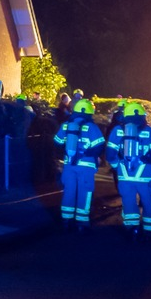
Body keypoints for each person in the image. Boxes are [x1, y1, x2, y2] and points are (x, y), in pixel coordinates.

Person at [106, 102, 151, 240]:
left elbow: (110, 155)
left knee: (128, 202)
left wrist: (117, 167)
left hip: (125, 177)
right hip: (146, 177)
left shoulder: (117, 130)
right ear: (143, 116)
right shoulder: (149, 131)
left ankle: (132, 229)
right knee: (149, 203)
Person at [53, 98, 105, 232]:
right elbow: (99, 145)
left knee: (69, 191)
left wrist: (68, 152)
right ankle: (82, 223)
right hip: (86, 167)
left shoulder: (66, 125)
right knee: (85, 192)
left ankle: (66, 220)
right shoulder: (92, 126)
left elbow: (57, 142)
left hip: (69, 165)